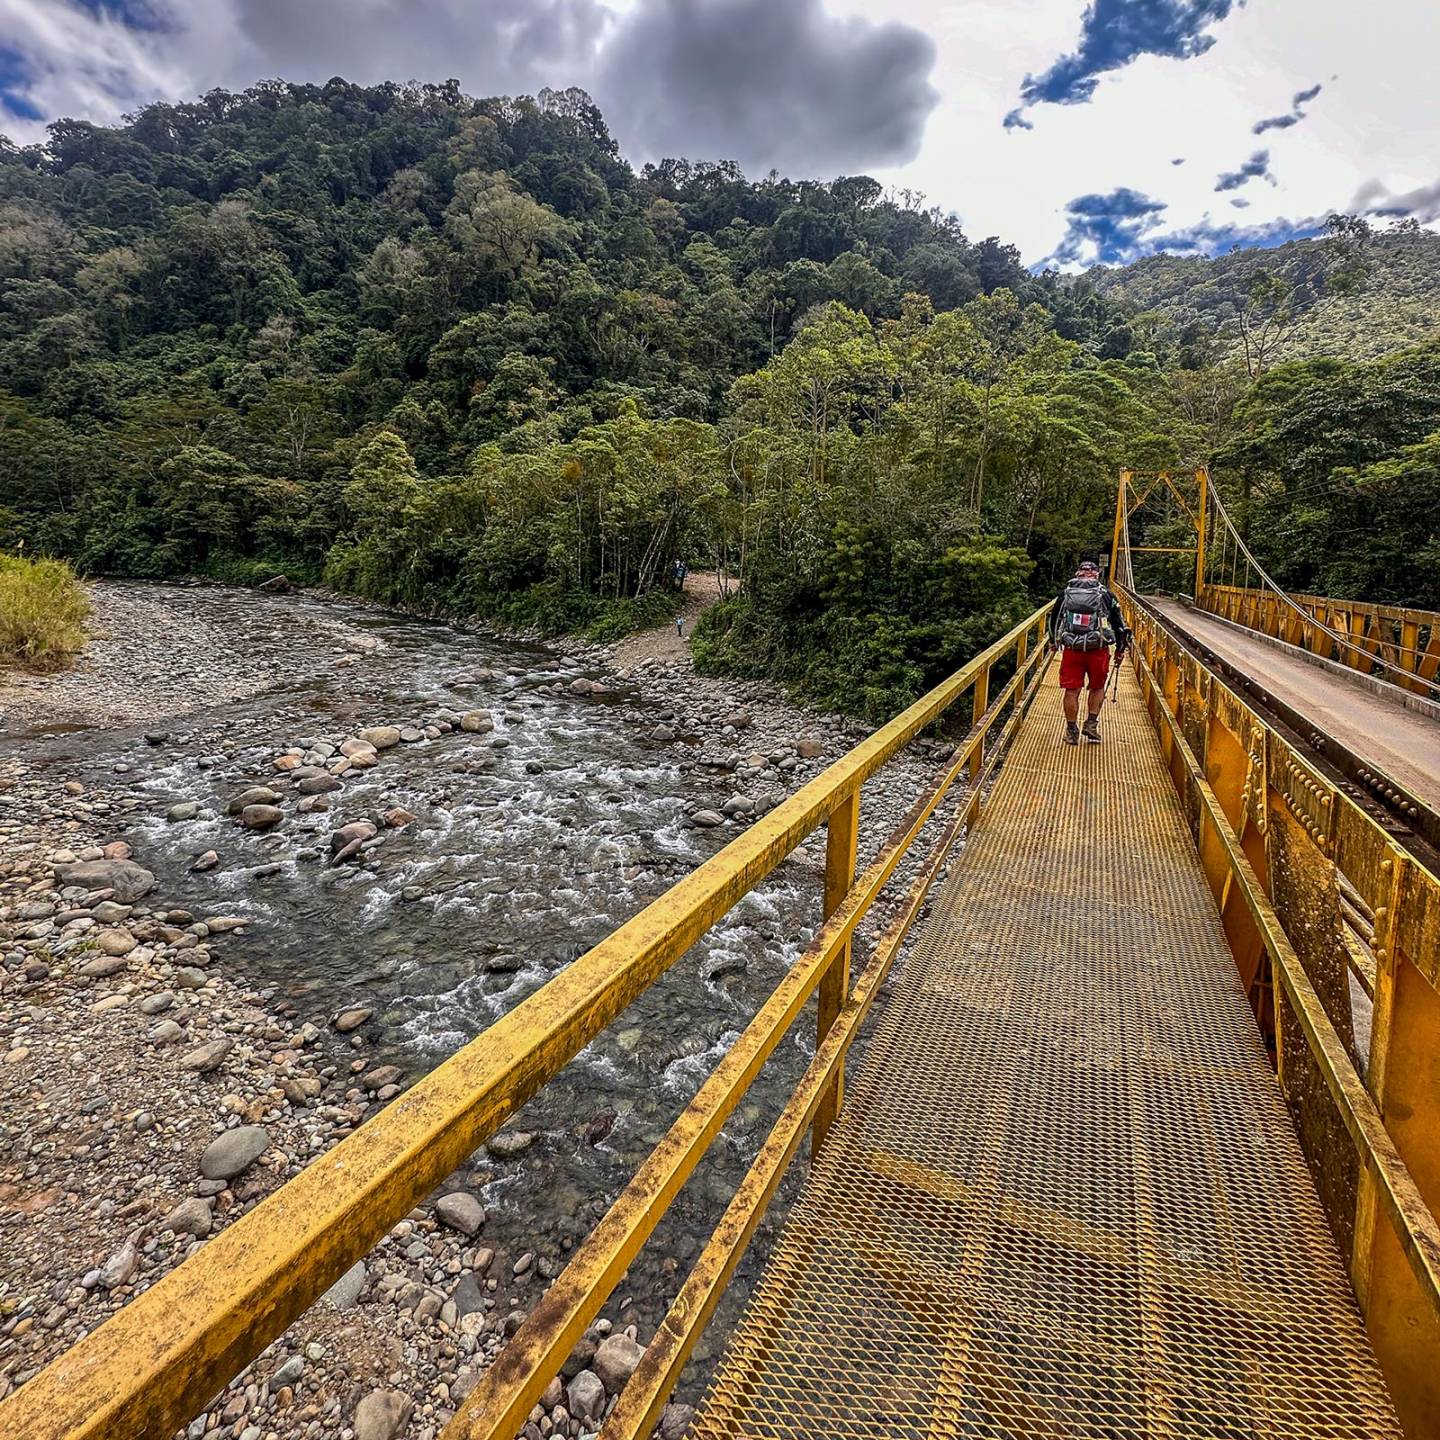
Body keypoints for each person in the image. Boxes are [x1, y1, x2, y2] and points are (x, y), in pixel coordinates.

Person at [1048, 552, 1131, 745]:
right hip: (1098, 649)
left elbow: (1054, 618)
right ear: (1096, 574)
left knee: (1071, 690)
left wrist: (1053, 641)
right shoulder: (1106, 594)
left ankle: (1071, 731)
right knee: (1097, 686)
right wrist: (1120, 649)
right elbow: (1118, 623)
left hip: (1072, 649)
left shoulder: (1066, 593)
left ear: (1078, 573)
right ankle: (1091, 724)